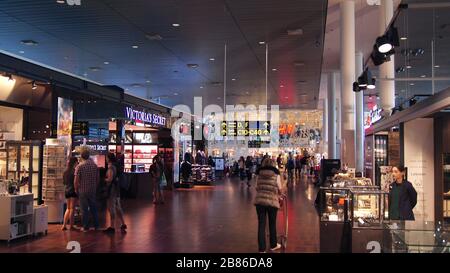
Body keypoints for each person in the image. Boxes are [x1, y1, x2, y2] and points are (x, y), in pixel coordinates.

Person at [254, 158, 283, 253]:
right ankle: (273, 245)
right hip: (272, 201)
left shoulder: (259, 173)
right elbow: (280, 188)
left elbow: (256, 186)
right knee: (272, 224)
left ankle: (262, 249)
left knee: (261, 225)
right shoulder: (276, 174)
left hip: (260, 201)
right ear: (273, 164)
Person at [74, 147, 100, 232]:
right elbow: (98, 178)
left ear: (81, 156)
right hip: (92, 190)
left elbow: (76, 180)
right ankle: (97, 226)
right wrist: (95, 186)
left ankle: (85, 227)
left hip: (83, 190)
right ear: (89, 156)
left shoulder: (79, 166)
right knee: (94, 208)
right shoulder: (94, 166)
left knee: (84, 209)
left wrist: (76, 189)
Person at [104, 153, 127, 233]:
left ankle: (112, 226)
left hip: (111, 190)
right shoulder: (116, 166)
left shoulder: (111, 167)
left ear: (108, 159)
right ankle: (123, 223)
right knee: (118, 206)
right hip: (116, 189)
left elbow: (110, 179)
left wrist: (104, 180)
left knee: (111, 207)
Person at [62, 157, 79, 231]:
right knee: (72, 208)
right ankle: (71, 225)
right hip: (73, 190)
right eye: (76, 162)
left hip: (67, 191)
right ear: (74, 163)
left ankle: (64, 225)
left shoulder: (65, 171)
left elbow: (64, 182)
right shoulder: (74, 171)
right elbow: (76, 182)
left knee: (68, 208)